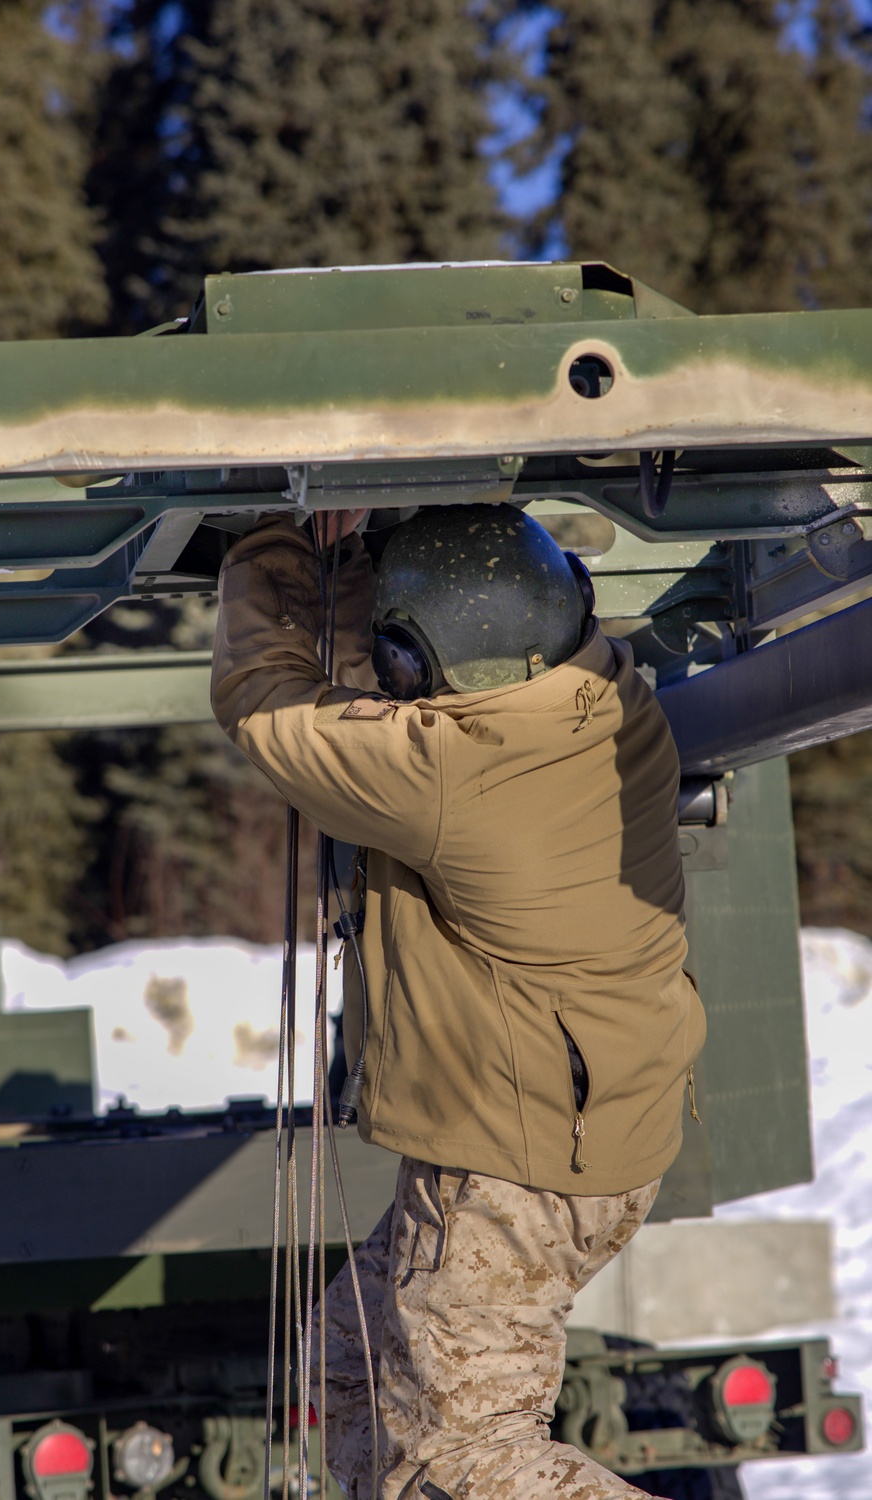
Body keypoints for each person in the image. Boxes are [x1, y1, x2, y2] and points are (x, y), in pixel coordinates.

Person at [210, 502, 706, 1500]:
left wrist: (273, 542)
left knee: (468, 1457)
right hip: (572, 1137)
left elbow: (265, 701)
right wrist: (368, 567)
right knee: (347, 1357)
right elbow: (440, 650)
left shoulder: (445, 777)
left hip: (512, 1173)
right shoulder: (601, 687)